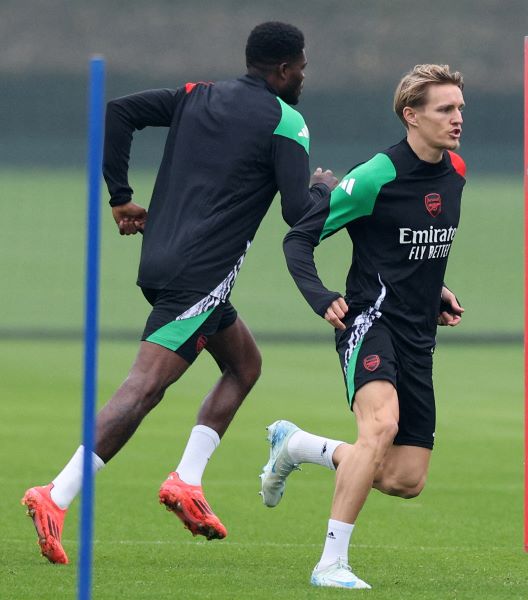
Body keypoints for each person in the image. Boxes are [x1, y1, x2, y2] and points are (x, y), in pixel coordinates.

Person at [21, 21, 338, 565]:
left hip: (164, 262)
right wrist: (322, 190)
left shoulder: (197, 95)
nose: (304, 78)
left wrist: (120, 197)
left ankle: (187, 481)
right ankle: (56, 493)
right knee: (145, 388)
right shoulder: (287, 122)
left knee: (244, 365)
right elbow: (296, 213)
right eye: (302, 68)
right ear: (285, 69)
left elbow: (118, 111)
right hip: (199, 277)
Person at [259, 64, 466, 590]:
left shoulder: (456, 173)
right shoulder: (376, 175)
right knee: (379, 428)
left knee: (404, 479)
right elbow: (298, 239)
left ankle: (297, 446)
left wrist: (435, 291)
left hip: (418, 334)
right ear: (411, 115)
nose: (457, 118)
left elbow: (410, 248)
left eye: (460, 108)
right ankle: (330, 564)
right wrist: (320, 296)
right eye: (445, 109)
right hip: (368, 320)